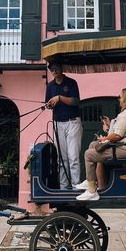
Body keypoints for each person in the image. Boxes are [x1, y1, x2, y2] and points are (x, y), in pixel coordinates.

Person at [76, 88, 126, 201]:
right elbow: (121, 132)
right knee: (93, 144)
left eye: (121, 97)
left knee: (88, 154)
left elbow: (117, 136)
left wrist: (105, 138)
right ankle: (91, 181)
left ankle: (91, 191)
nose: (119, 99)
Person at [45, 61, 82, 190]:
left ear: (61, 69)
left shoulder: (71, 82)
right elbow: (48, 103)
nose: (54, 71)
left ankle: (76, 187)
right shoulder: (50, 86)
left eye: (56, 68)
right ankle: (64, 187)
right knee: (61, 158)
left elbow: (76, 101)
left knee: (73, 157)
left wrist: (60, 98)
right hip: (58, 122)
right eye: (51, 69)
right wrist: (50, 104)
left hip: (72, 122)